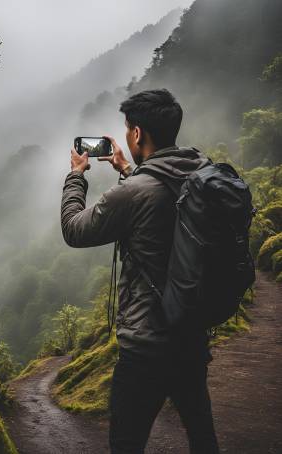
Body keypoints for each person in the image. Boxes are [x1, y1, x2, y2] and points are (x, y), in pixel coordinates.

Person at [60, 89, 220, 454]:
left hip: (147, 345)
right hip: (192, 336)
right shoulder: (199, 173)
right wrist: (128, 170)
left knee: (127, 443)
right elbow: (161, 201)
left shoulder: (134, 191)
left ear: (136, 134)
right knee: (202, 436)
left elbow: (73, 229)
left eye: (128, 127)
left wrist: (76, 176)